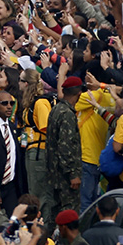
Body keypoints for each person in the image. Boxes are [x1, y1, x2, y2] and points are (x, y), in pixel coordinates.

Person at [47, 77, 83, 218]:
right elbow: (65, 146)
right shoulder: (67, 114)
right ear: (79, 94)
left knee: (55, 213)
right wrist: (72, 174)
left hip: (54, 174)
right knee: (69, 213)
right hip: (65, 177)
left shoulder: (56, 109)